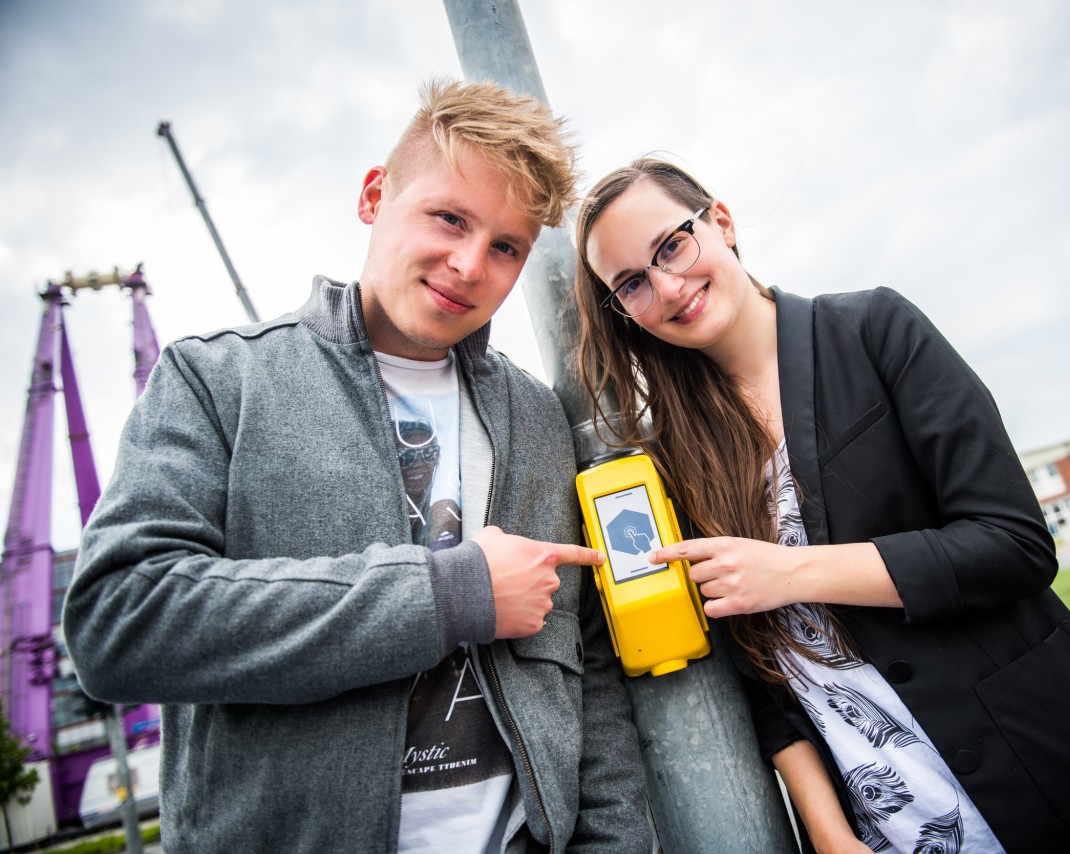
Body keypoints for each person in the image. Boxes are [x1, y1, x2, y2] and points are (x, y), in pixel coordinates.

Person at [63, 80, 651, 854]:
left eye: (505, 246)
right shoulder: (218, 382)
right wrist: (451, 593)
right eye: (449, 217)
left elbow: (584, 662)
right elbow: (118, 620)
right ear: (374, 195)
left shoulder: (538, 416)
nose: (470, 264)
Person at [572, 158, 1070, 853]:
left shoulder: (873, 330)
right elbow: (763, 680)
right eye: (631, 282)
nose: (667, 285)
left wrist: (794, 573)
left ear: (720, 221)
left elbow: (1013, 543)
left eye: (673, 245)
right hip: (887, 831)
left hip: (1048, 783)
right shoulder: (675, 462)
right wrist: (831, 832)